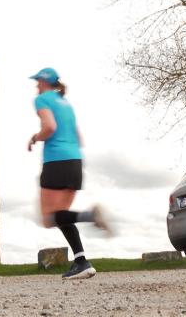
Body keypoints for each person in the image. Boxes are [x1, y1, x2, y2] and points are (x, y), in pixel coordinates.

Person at [27, 67, 110, 280]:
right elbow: (79, 137)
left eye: (38, 81)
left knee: (48, 218)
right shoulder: (67, 105)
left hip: (56, 161)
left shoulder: (43, 100)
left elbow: (50, 127)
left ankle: (90, 216)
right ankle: (82, 262)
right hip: (75, 161)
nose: (36, 85)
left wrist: (36, 137)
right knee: (62, 215)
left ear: (45, 82)